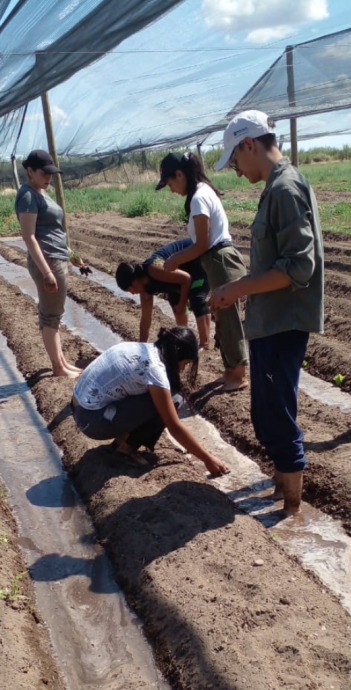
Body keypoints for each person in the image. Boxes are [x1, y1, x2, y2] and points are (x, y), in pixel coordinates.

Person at [209, 111, 324, 517]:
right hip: (270, 320)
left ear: (248, 144)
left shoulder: (285, 188)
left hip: (282, 321)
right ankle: (280, 493)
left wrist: (232, 289)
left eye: (235, 161)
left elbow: (298, 267)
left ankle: (292, 512)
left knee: (275, 412)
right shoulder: (278, 185)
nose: (236, 171)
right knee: (267, 410)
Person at [71, 326, 229, 476]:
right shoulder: (154, 370)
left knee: (160, 397)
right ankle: (125, 450)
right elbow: (174, 427)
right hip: (92, 422)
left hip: (80, 409)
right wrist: (208, 459)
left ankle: (121, 440)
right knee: (175, 399)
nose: (182, 369)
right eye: (185, 364)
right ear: (176, 356)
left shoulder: (140, 348)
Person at [154, 151, 249, 391]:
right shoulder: (203, 192)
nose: (171, 189)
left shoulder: (198, 198)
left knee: (228, 320)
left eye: (171, 183)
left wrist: (174, 260)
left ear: (180, 174)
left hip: (220, 260)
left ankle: (238, 375)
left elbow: (202, 244)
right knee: (222, 316)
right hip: (217, 261)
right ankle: (230, 371)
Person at [16, 150, 80, 378]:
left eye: (51, 173)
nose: (49, 177)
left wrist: (71, 254)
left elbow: (52, 231)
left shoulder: (40, 192)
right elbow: (29, 236)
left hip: (57, 257)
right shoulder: (27, 196)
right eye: (44, 173)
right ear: (30, 171)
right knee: (51, 316)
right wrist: (46, 272)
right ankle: (58, 368)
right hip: (48, 261)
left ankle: (62, 362)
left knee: (55, 313)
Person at [115, 238, 211, 348]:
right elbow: (145, 321)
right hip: (179, 276)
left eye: (130, 288)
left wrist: (183, 304)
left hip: (198, 259)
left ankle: (204, 344)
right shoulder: (144, 289)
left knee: (197, 298)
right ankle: (185, 341)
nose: (132, 293)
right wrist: (141, 347)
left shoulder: (154, 268)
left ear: (135, 280)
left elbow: (186, 279)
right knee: (175, 300)